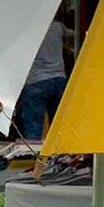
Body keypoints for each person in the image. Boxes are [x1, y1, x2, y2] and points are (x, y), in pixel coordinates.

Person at [17, 10, 69, 140]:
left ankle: (32, 152)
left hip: (36, 80)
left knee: (34, 128)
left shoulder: (28, 29)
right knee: (58, 127)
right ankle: (58, 152)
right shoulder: (58, 27)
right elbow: (73, 34)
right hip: (58, 78)